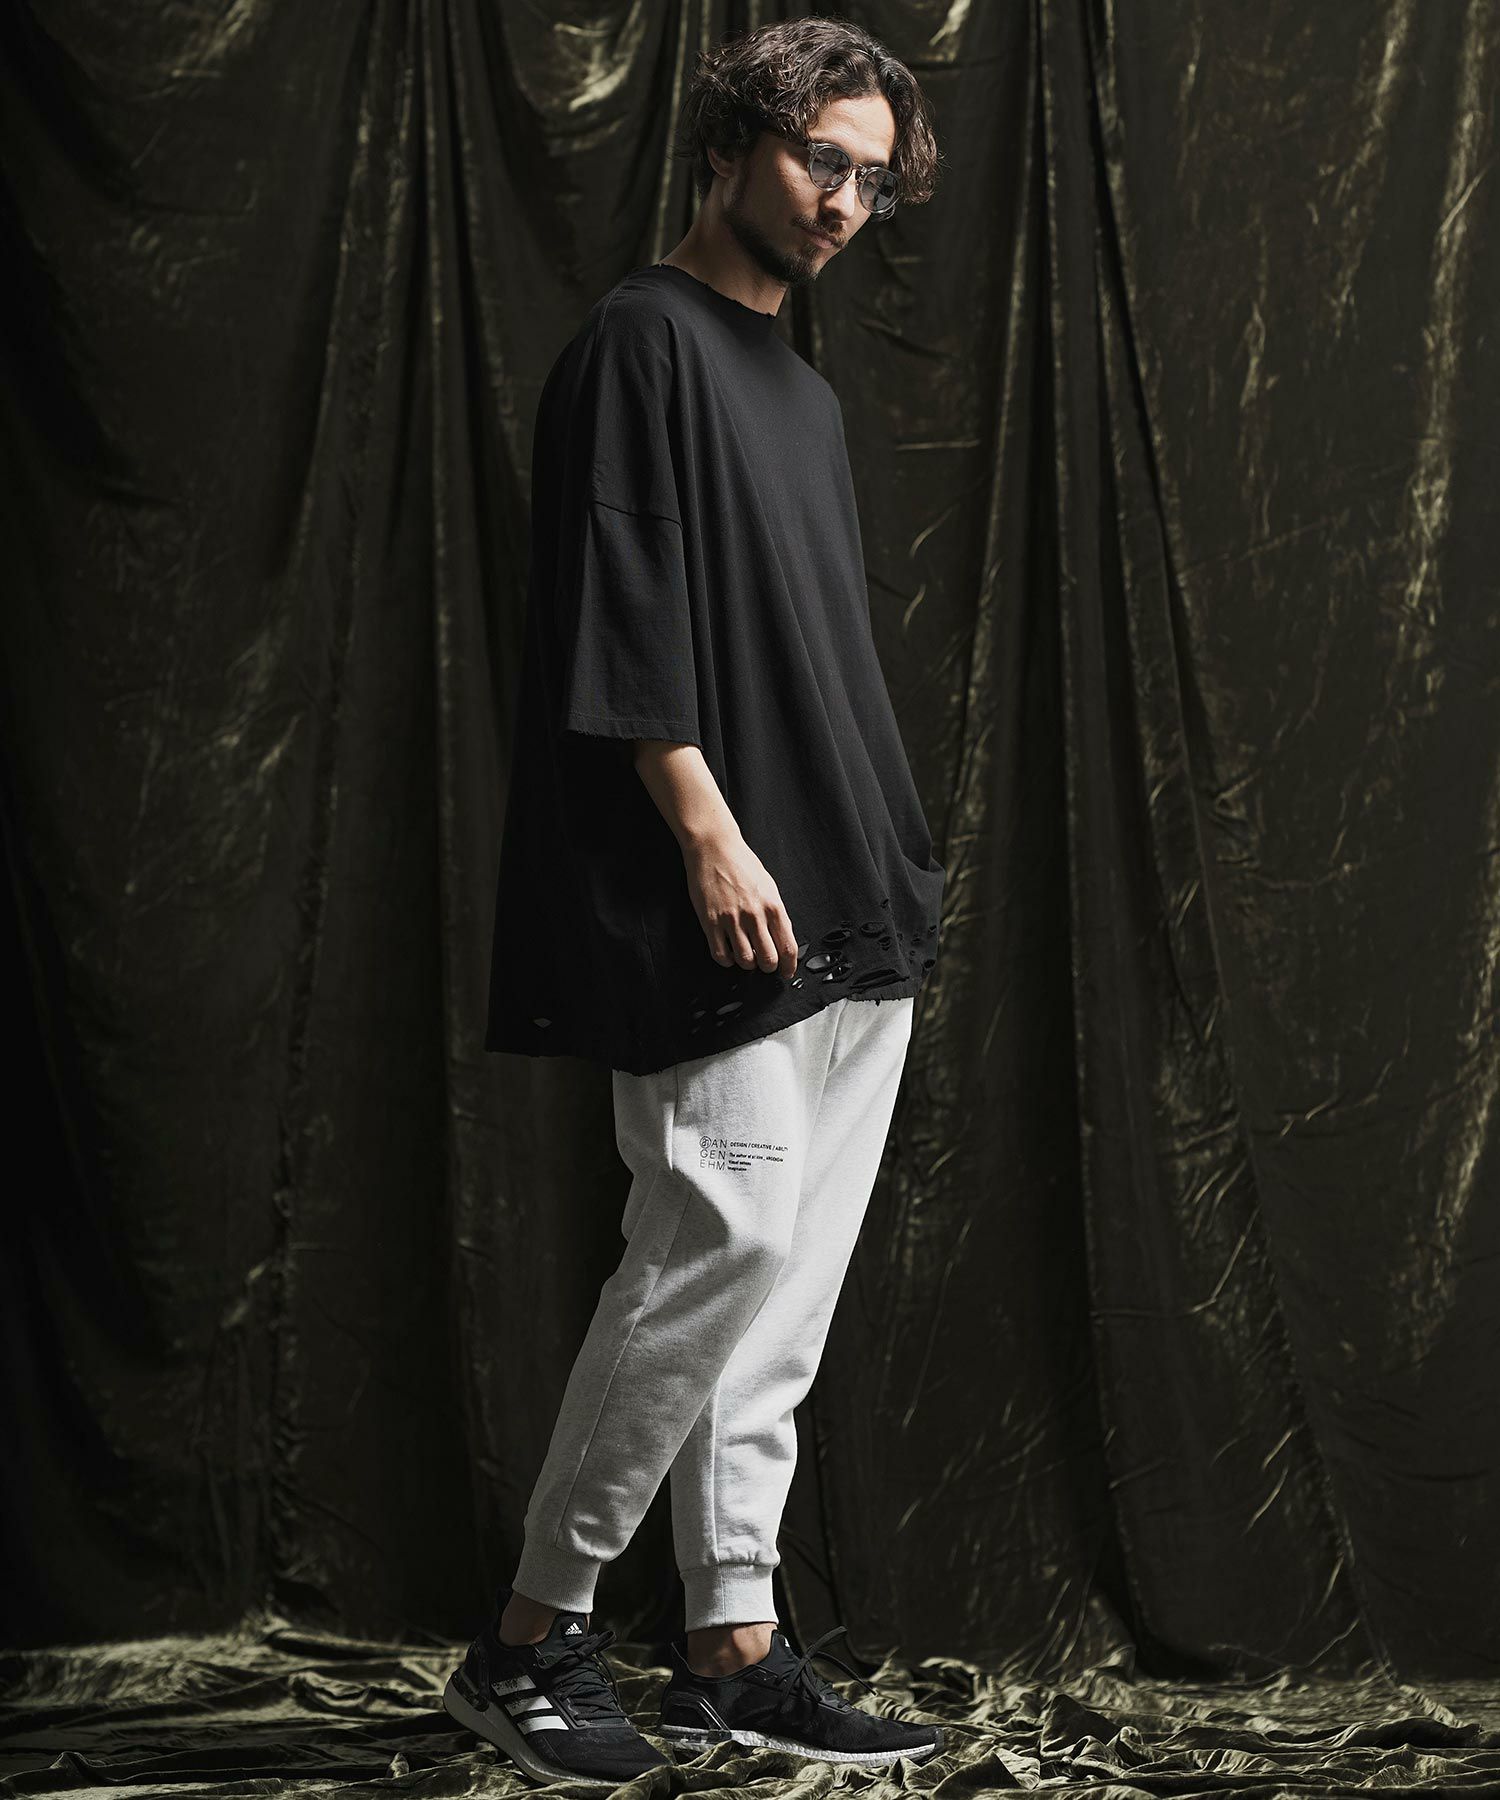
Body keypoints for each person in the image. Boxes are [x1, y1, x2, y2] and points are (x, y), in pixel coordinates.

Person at [443, 17, 948, 1787]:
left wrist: (882, 868)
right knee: (710, 1244)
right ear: (731, 142)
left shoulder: (800, 394)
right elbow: (622, 607)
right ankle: (528, 1640)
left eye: (871, 178)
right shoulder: (637, 344)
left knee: (778, 1299)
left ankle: (735, 1640)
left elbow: (812, 654)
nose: (844, 202)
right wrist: (709, 837)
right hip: (717, 891)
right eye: (821, 158)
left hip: (855, 899)